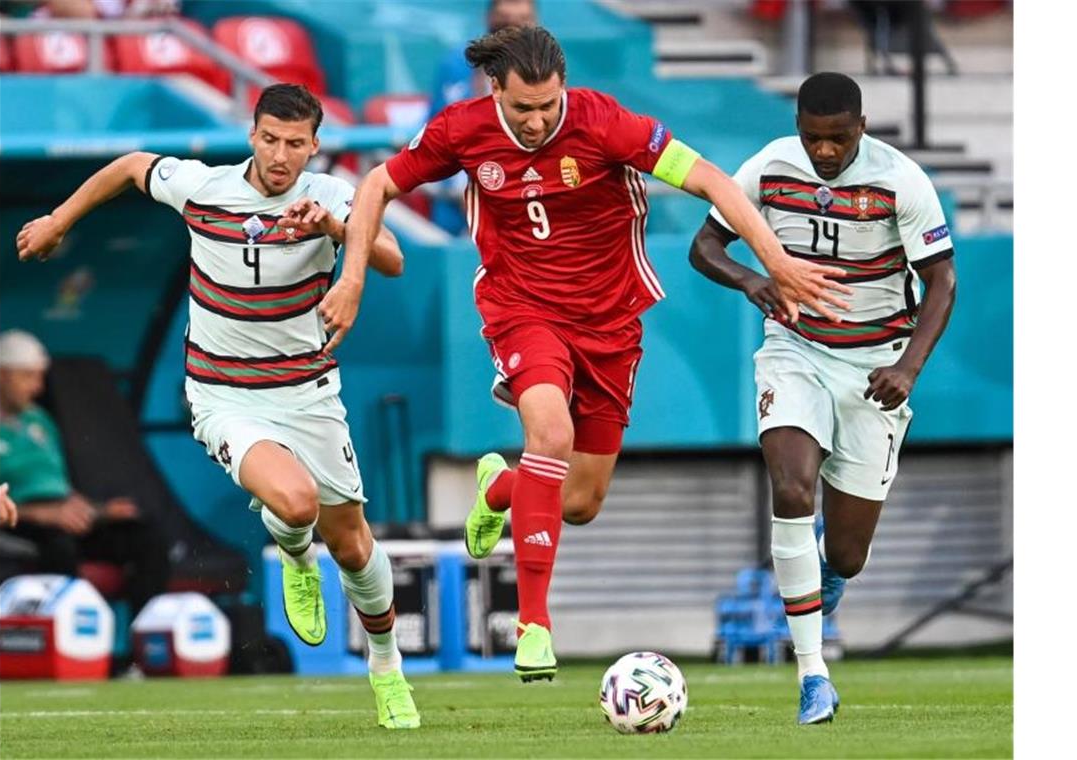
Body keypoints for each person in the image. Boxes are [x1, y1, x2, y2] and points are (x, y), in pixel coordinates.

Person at [319, 26, 852, 682]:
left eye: (548, 104)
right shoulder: (462, 129)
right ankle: (535, 624)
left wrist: (777, 260)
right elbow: (376, 185)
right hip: (522, 310)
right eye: (523, 109)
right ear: (496, 92)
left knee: (581, 502)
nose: (539, 119)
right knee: (550, 431)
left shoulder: (604, 123)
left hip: (610, 321)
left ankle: (502, 488)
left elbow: (710, 178)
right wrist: (351, 277)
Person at [15, 84, 420, 729]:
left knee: (352, 542)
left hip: (309, 393)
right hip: (223, 394)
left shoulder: (335, 196)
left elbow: (394, 259)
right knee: (295, 505)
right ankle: (293, 553)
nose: (281, 154)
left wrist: (335, 229)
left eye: (295, 143)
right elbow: (128, 167)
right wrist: (60, 220)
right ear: (252, 135)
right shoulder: (203, 186)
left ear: (314, 145)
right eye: (270, 139)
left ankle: (386, 665)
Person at [689, 72, 957, 724]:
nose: (826, 152)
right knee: (789, 489)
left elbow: (942, 280)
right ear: (800, 128)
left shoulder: (902, 180)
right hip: (795, 349)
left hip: (875, 368)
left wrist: (908, 368)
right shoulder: (768, 167)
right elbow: (704, 247)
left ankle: (824, 569)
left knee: (846, 555)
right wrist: (751, 279)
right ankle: (813, 676)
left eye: (838, 139)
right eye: (814, 138)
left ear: (860, 127)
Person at [0, 329, 170, 617]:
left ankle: (142, 648)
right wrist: (42, 513)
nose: (38, 387)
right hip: (18, 520)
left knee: (146, 537)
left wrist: (98, 510)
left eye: (40, 376)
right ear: (1, 375)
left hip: (65, 516)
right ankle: (71, 639)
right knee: (59, 546)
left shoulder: (39, 420)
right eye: (28, 376)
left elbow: (57, 483)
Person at [428, 0, 539, 234]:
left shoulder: (544, 70)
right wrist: (463, 192)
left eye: (521, 20)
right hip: (460, 199)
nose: (512, 28)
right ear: (490, 18)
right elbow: (439, 136)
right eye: (504, 19)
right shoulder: (459, 65)